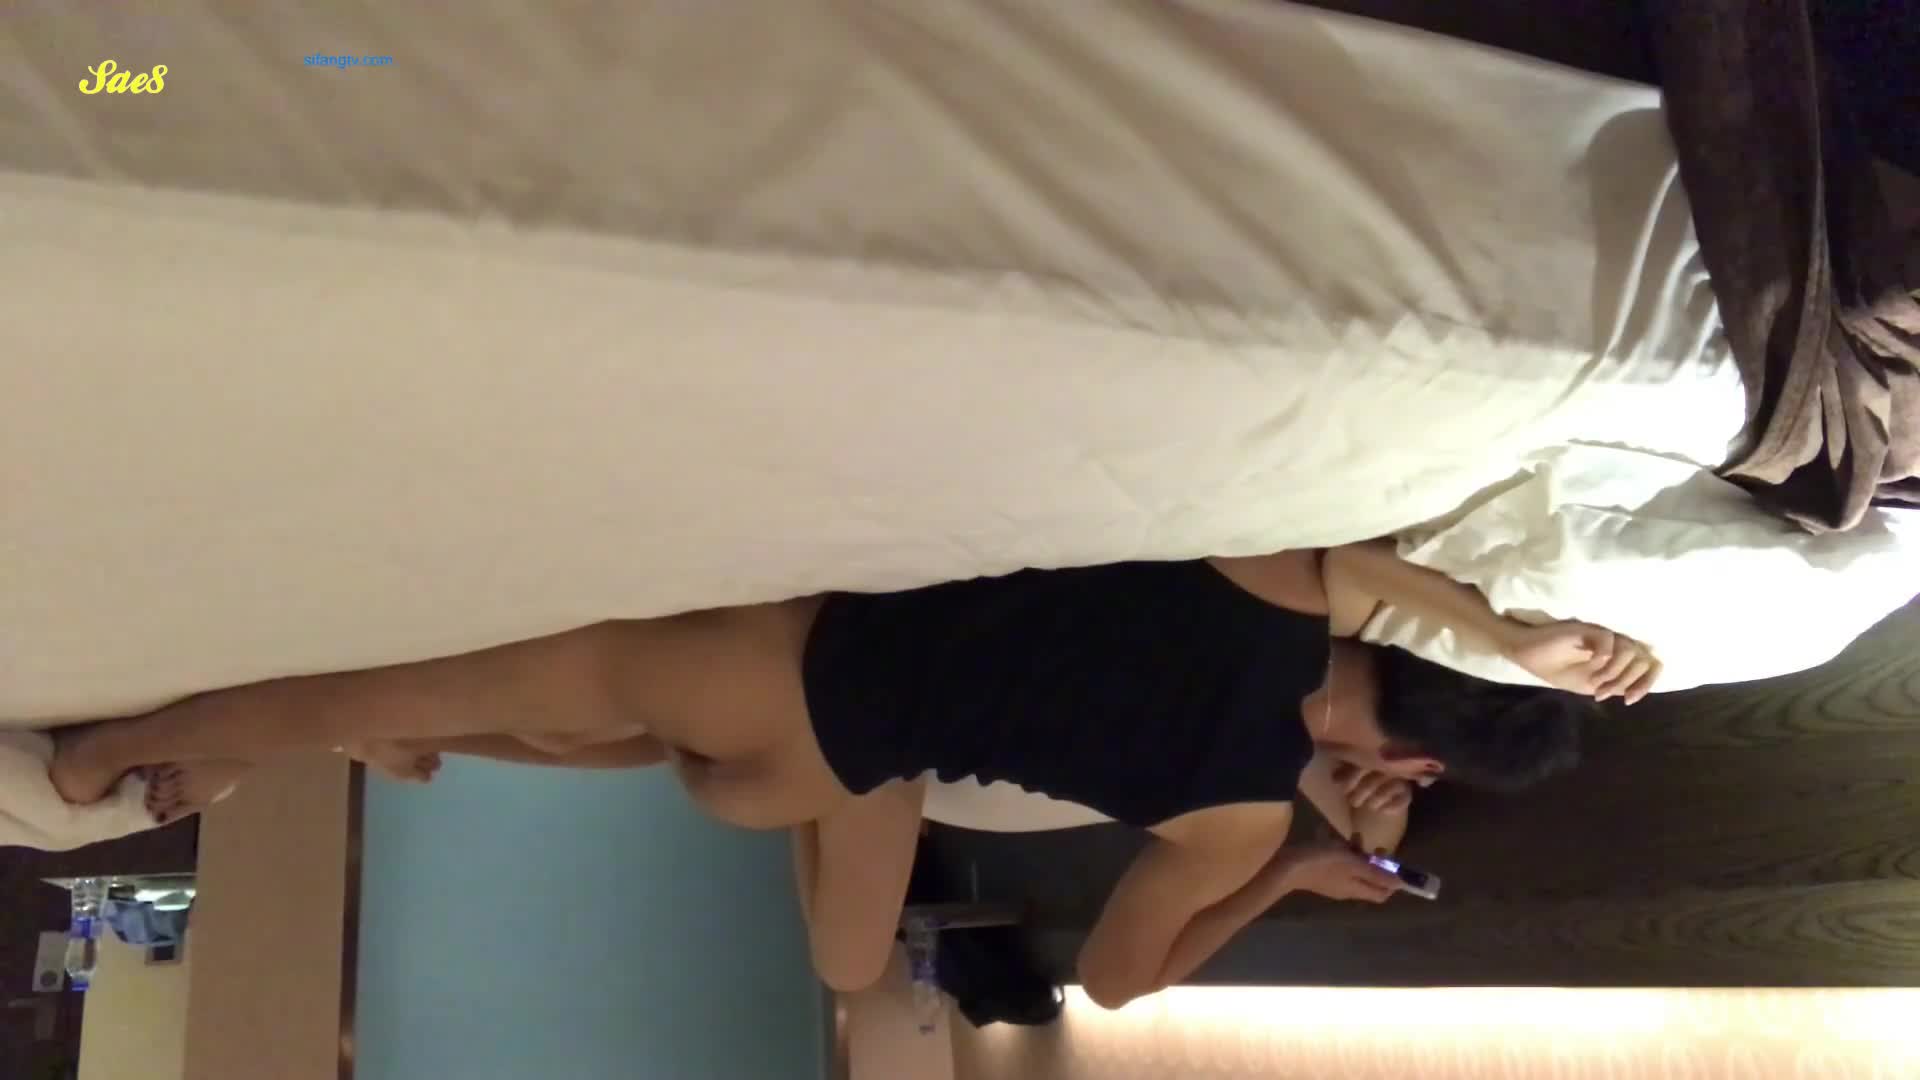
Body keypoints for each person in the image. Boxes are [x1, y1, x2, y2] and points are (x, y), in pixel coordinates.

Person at [45, 540, 1657, 1007]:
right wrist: (1295, 871)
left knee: (433, 685)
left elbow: (1363, 574)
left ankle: (132, 744)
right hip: (803, 766)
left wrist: (1503, 629)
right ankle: (310, 747)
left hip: (784, 665)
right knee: (828, 944)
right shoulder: (1238, 823)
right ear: (1415, 757)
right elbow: (1115, 986)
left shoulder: (1285, 573)